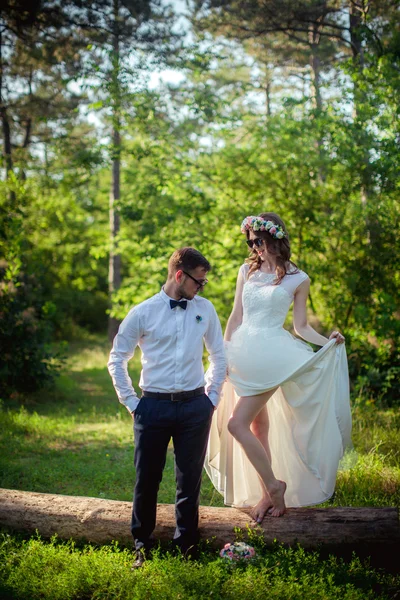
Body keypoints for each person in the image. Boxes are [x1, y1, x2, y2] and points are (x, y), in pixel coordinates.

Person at [206, 213, 352, 522]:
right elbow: (235, 316)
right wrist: (224, 354)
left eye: (258, 241)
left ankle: (274, 486)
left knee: (236, 424)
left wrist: (328, 341)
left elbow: (300, 327)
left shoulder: (299, 278)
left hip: (272, 355)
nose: (254, 247)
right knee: (259, 426)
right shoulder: (246, 271)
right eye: (250, 242)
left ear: (274, 238)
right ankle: (265, 494)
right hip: (241, 354)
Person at [108, 247, 226, 568]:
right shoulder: (143, 312)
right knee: (147, 480)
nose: (201, 287)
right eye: (198, 282)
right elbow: (117, 358)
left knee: (189, 482)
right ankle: (141, 544)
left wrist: (211, 398)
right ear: (179, 275)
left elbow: (219, 355)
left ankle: (186, 545)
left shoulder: (206, 310)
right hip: (153, 408)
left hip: (194, 407)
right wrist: (133, 403)